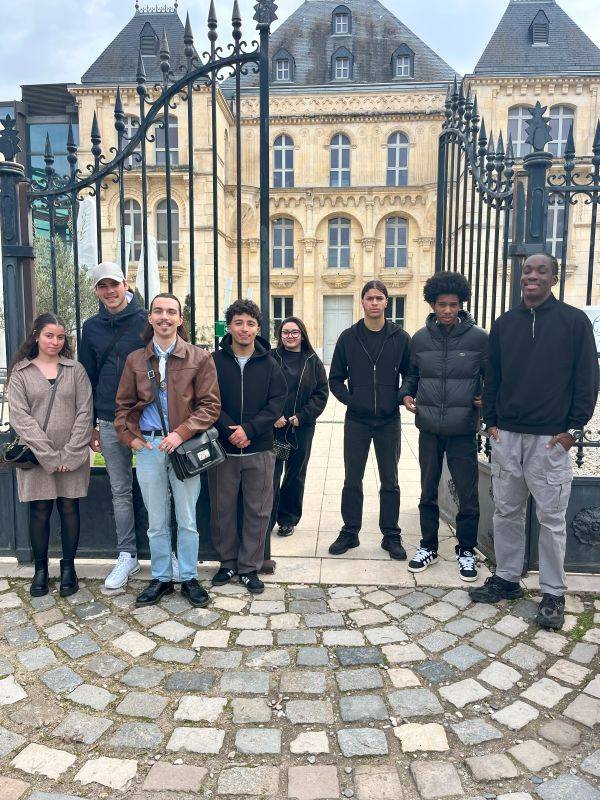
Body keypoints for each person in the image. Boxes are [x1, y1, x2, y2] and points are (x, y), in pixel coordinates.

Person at [470, 252, 599, 629]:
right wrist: (491, 422)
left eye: (541, 271)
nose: (532, 276)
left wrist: (573, 431)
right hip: (507, 436)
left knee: (552, 519)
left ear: (554, 278)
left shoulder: (573, 323)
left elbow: (586, 380)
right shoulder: (505, 324)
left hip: (550, 441)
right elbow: (491, 377)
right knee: (507, 511)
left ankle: (553, 593)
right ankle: (508, 579)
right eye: (527, 270)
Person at [114, 293, 221, 607]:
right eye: (158, 311)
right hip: (148, 447)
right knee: (157, 520)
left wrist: (181, 433)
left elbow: (210, 406)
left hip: (184, 447)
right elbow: (121, 407)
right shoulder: (135, 360)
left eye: (171, 312)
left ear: (179, 319)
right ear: (150, 318)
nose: (164, 317)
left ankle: (188, 576)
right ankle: (161, 577)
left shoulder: (199, 358)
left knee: (187, 518)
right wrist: (131, 439)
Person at [400, 272, 488, 582]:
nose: (448, 311)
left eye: (453, 305)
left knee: (467, 493)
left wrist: (486, 398)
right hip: (429, 429)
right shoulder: (420, 339)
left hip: (463, 430)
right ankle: (428, 546)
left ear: (461, 304)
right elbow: (411, 375)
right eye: (442, 305)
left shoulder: (479, 338)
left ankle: (466, 549)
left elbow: (494, 378)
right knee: (428, 490)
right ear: (432, 305)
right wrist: (406, 394)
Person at [7, 313, 93, 597]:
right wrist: (50, 457)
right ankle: (40, 571)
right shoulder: (21, 373)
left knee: (70, 509)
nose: (55, 342)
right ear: (36, 336)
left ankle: (69, 568)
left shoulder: (75, 370)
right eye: (49, 335)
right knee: (40, 511)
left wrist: (70, 454)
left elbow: (85, 412)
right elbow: (20, 419)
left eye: (60, 337)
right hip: (36, 456)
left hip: (73, 456)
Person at [79, 262, 150, 590]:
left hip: (144, 418)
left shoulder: (145, 320)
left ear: (125, 284)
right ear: (96, 291)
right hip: (108, 418)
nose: (109, 291)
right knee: (120, 489)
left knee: (156, 487)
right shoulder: (91, 328)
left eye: (113, 284)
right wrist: (92, 424)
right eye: (102, 286)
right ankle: (127, 555)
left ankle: (165, 552)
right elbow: (87, 378)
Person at [328, 280, 411, 560]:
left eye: (379, 298)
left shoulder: (400, 337)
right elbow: (335, 379)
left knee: (390, 479)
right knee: (353, 478)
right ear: (362, 302)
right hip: (357, 421)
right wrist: (354, 401)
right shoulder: (348, 337)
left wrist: (400, 396)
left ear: (386, 302)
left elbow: (411, 375)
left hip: (389, 420)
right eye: (369, 298)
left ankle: (391, 535)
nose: (374, 303)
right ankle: (350, 532)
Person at [209, 299, 286, 594]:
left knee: (258, 510)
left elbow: (276, 402)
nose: (244, 328)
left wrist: (250, 430)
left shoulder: (270, 362)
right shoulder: (214, 361)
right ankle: (227, 562)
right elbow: (208, 400)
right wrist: (231, 431)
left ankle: (249, 567)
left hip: (260, 449)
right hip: (224, 450)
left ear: (258, 328)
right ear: (229, 327)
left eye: (250, 323)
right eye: (239, 322)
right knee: (222, 509)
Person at [270, 317, 329, 537]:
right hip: (274, 427)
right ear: (280, 335)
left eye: (294, 332)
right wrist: (274, 415)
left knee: (295, 473)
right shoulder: (271, 358)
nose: (290, 336)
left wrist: (302, 416)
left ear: (302, 335)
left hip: (300, 428)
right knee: (271, 474)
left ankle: (288, 518)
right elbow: (262, 388)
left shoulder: (312, 361)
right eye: (286, 332)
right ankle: (266, 518)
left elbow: (321, 393)